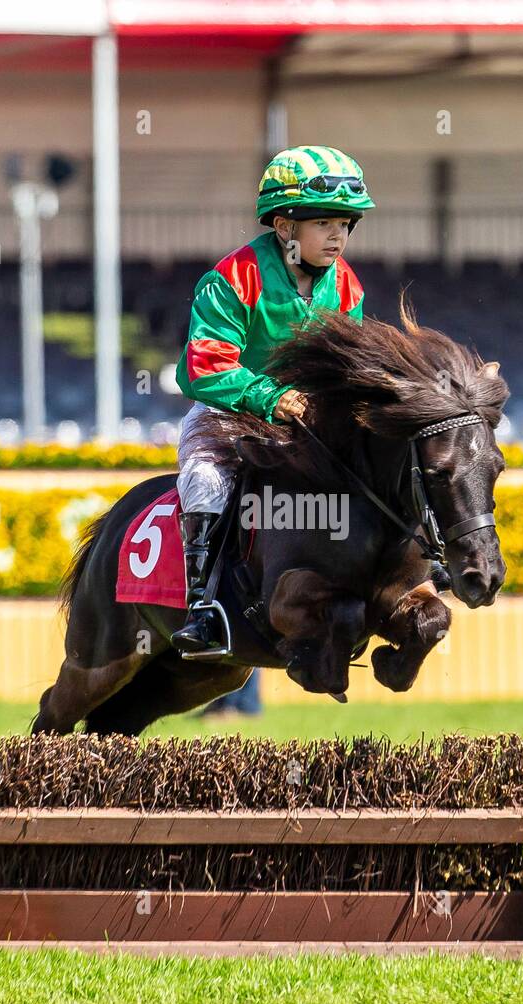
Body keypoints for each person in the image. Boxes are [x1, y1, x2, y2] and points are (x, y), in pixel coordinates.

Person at [170, 145, 375, 655]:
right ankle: (203, 610)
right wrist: (275, 398)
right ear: (284, 227)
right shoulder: (231, 278)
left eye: (346, 224)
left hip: (312, 424)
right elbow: (204, 368)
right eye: (324, 223)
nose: (338, 237)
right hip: (228, 417)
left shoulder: (348, 287)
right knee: (205, 480)